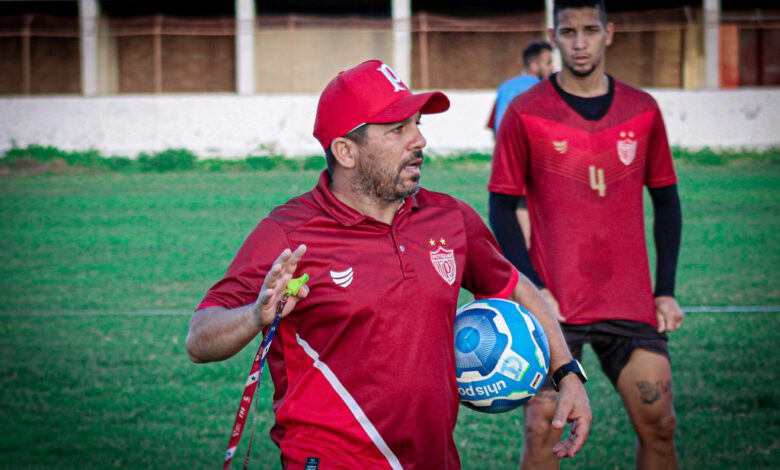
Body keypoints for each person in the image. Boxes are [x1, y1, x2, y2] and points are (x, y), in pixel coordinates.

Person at [187, 59, 591, 469]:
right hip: (330, 460)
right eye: (398, 130)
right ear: (346, 151)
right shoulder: (288, 234)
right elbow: (200, 338)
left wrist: (567, 373)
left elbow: (514, 286)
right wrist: (255, 316)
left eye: (417, 125)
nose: (419, 141)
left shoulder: (450, 218)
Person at [488, 1, 684, 469]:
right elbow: (500, 206)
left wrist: (665, 291)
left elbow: (667, 201)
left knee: (659, 424)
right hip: (555, 303)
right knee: (542, 431)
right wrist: (535, 290)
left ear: (609, 33)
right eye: (569, 31)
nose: (579, 43)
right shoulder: (525, 111)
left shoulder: (642, 109)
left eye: (590, 30)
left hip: (628, 299)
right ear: (553, 36)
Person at [487, 40, 554, 249]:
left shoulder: (504, 87)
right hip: (536, 161)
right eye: (548, 63)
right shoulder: (544, 88)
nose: (552, 68)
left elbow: (494, 128)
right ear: (535, 65)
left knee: (515, 213)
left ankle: (520, 263)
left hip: (506, 160)